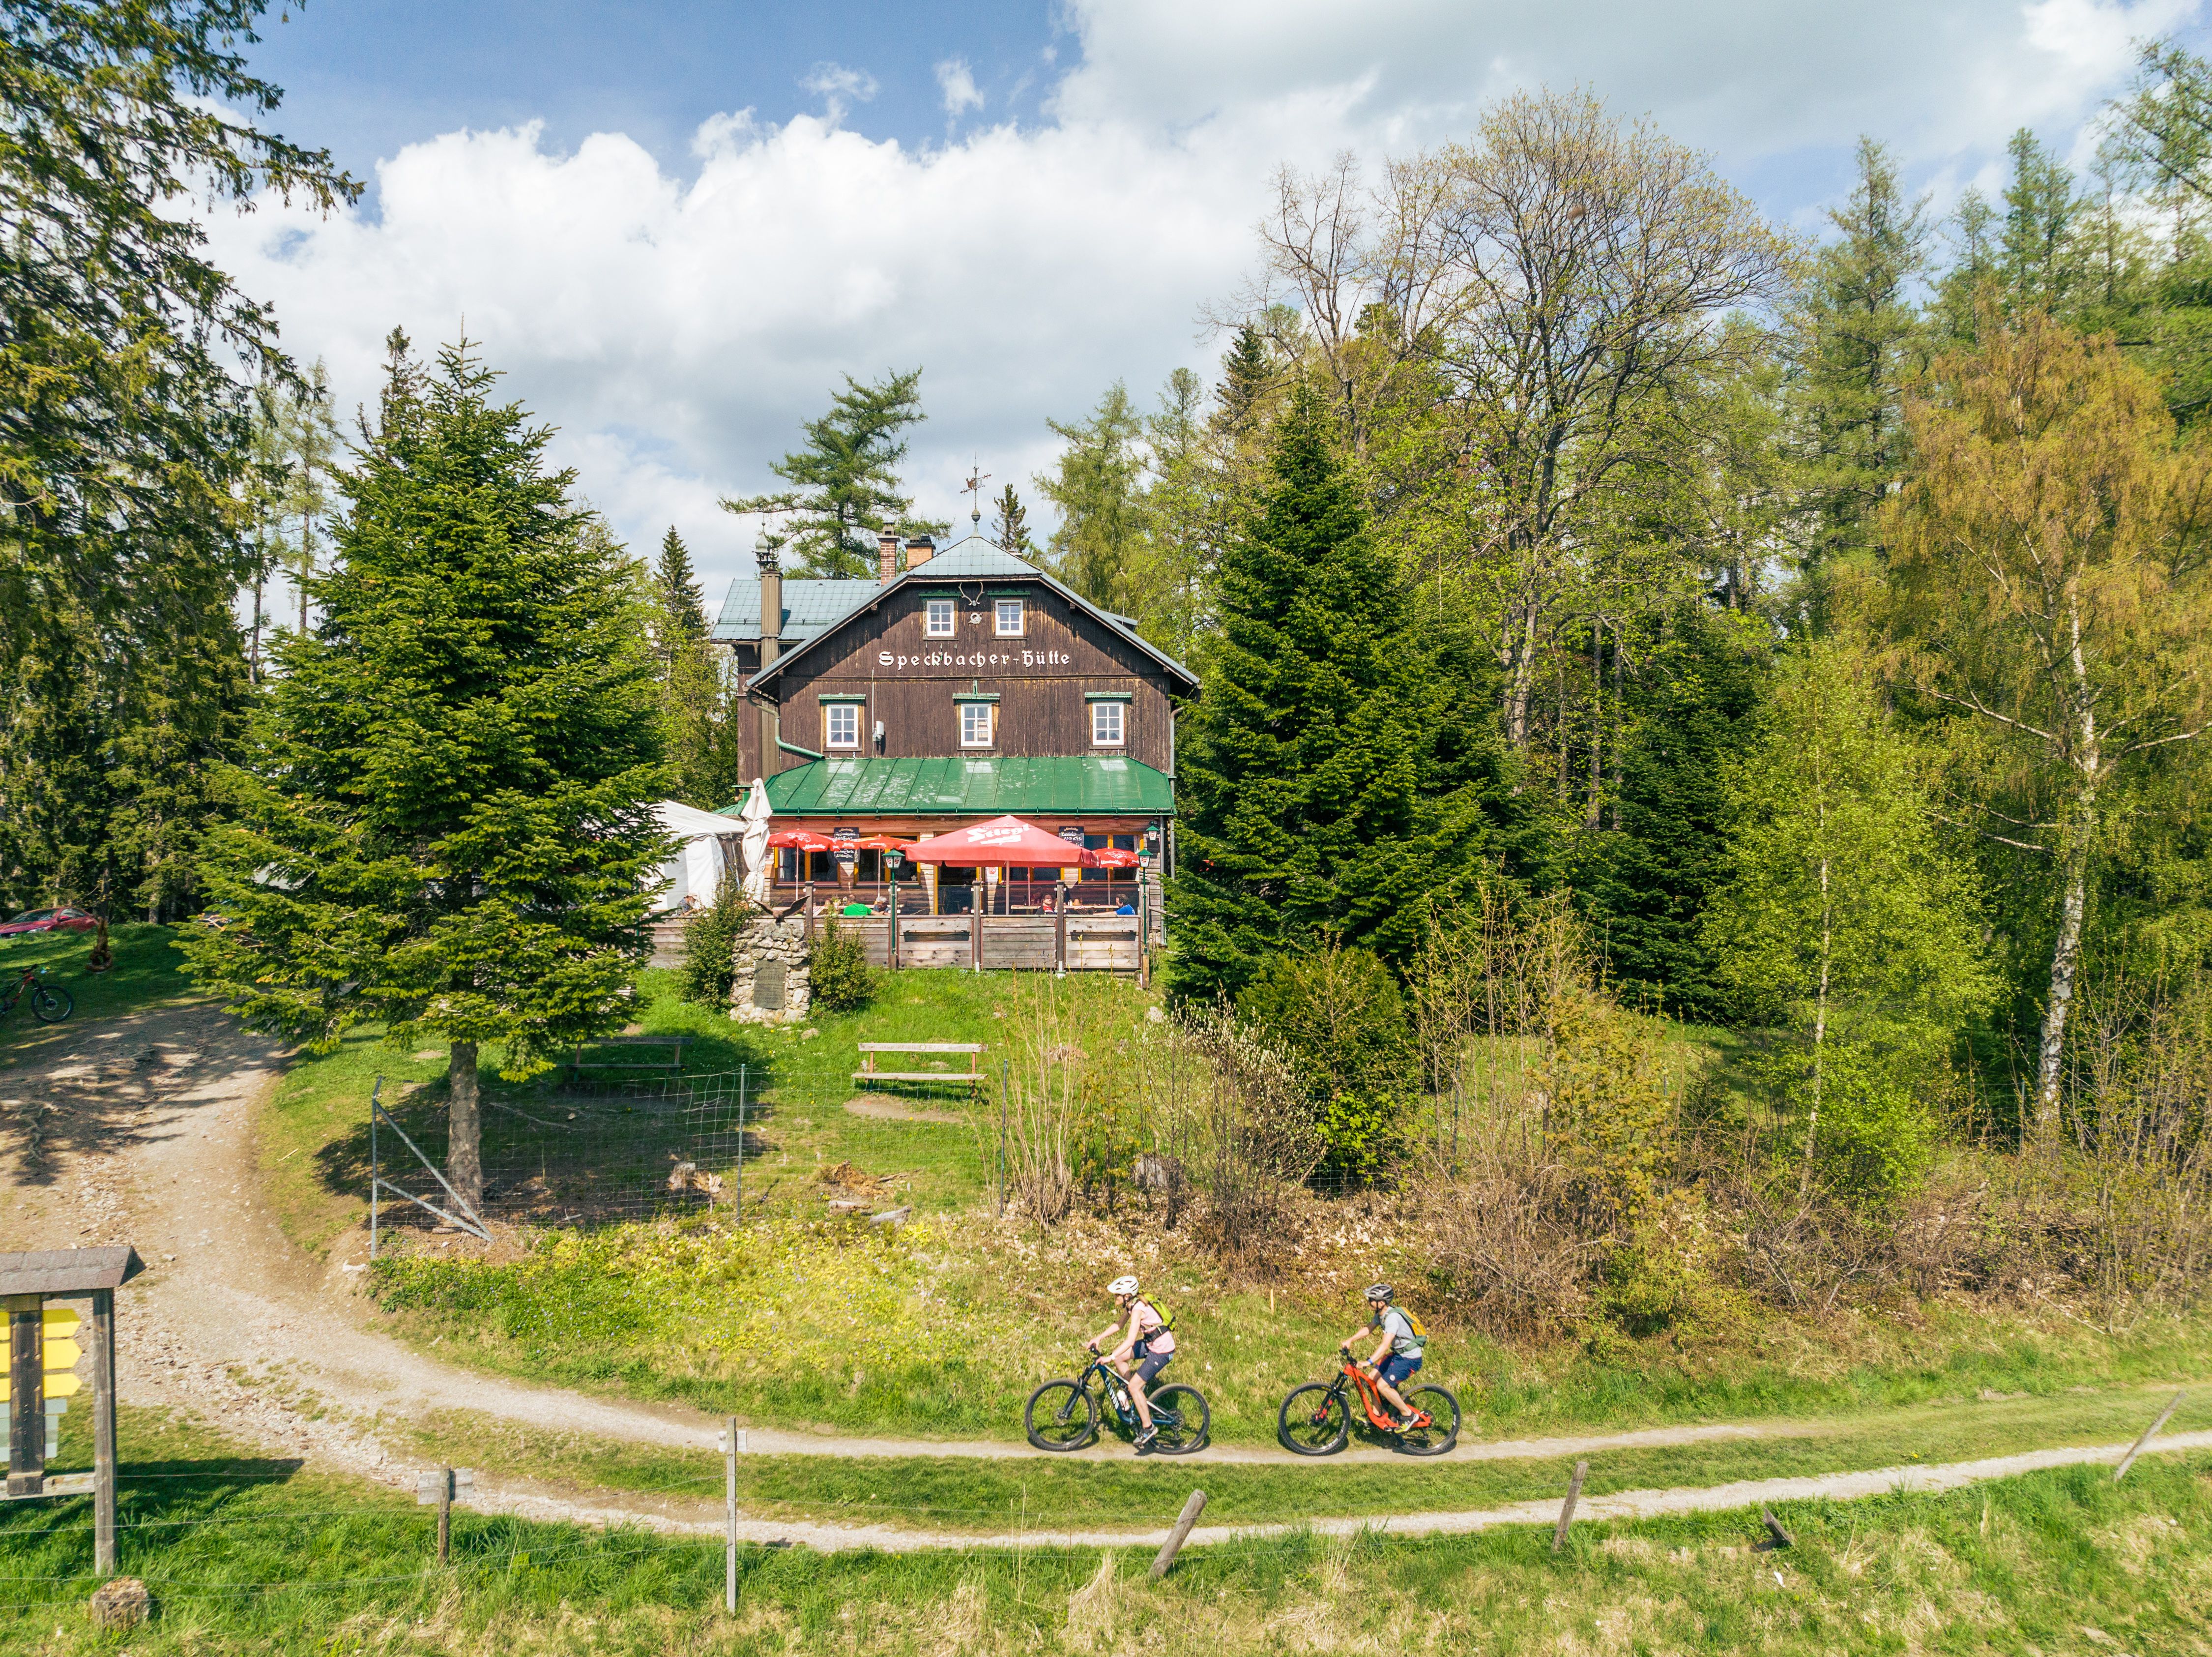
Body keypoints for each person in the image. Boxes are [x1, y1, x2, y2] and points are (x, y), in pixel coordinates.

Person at [1087, 1274, 1174, 1450]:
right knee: (1122, 1360)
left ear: (1127, 1295)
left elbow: (1130, 1341)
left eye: (1117, 1294)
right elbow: (1118, 1326)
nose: (1114, 1297)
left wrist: (1109, 1357)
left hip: (1162, 1350)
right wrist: (1099, 1337)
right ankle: (1131, 1391)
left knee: (1134, 1384)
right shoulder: (1131, 1306)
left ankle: (1148, 1427)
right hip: (1151, 1345)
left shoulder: (1138, 1309)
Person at [1341, 1283, 1429, 1430]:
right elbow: (1368, 1329)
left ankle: (1409, 1415)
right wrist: (1350, 1340)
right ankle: (1377, 1413)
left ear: (1381, 1303)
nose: (1369, 1302)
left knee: (1383, 1386)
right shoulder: (1381, 1315)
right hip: (1399, 1355)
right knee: (1372, 1379)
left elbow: (1385, 1345)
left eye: (1371, 1299)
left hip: (1410, 1359)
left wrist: (1368, 1362)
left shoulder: (1392, 1319)